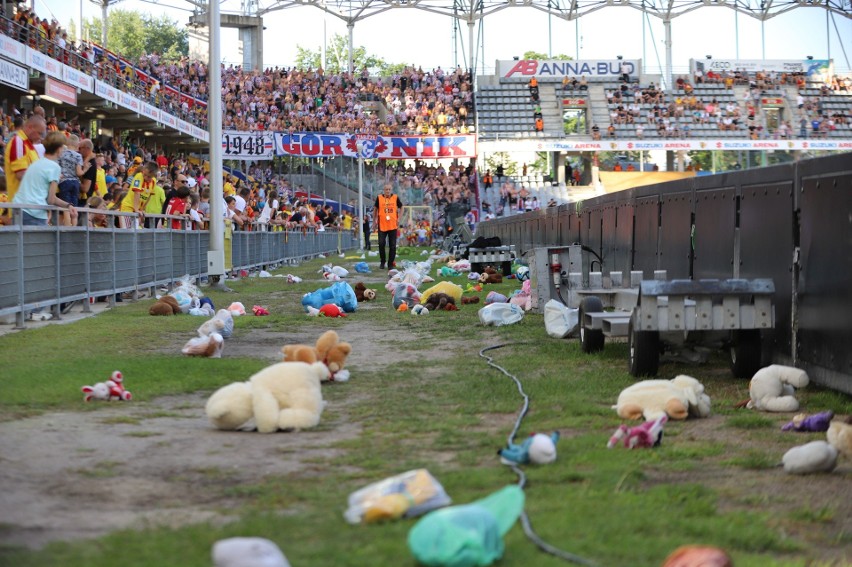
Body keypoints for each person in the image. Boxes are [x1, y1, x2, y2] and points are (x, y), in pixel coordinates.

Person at [12, 131, 77, 226]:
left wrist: (68, 205)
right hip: (34, 213)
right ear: (59, 149)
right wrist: (68, 205)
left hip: (18, 208)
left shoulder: (36, 162)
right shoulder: (54, 167)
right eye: (64, 148)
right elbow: (51, 199)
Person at [4, 115, 46, 215]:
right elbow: (21, 174)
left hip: (31, 207)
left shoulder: (28, 145)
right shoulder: (19, 142)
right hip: (22, 208)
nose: (40, 137)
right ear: (30, 127)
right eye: (39, 133)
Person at [373, 183, 403, 270]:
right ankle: (382, 261)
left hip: (393, 225)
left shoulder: (395, 197)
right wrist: (375, 221)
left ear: (391, 190)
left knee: (392, 245)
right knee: (381, 243)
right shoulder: (379, 198)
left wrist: (399, 218)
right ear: (384, 190)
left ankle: (390, 264)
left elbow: (402, 207)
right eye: (386, 189)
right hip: (382, 225)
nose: (388, 191)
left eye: (389, 189)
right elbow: (375, 210)